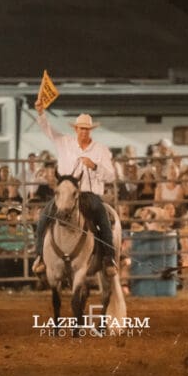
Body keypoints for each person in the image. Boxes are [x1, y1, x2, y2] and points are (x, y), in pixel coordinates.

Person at [31, 101, 117, 276]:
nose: (83, 131)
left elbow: (111, 176)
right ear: (76, 129)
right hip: (65, 194)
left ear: (90, 130)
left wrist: (94, 166)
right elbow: (48, 130)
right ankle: (40, 256)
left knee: (102, 217)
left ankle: (109, 258)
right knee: (43, 217)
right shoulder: (64, 142)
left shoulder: (100, 150)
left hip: (89, 194)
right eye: (81, 128)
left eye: (87, 129)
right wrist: (41, 113)